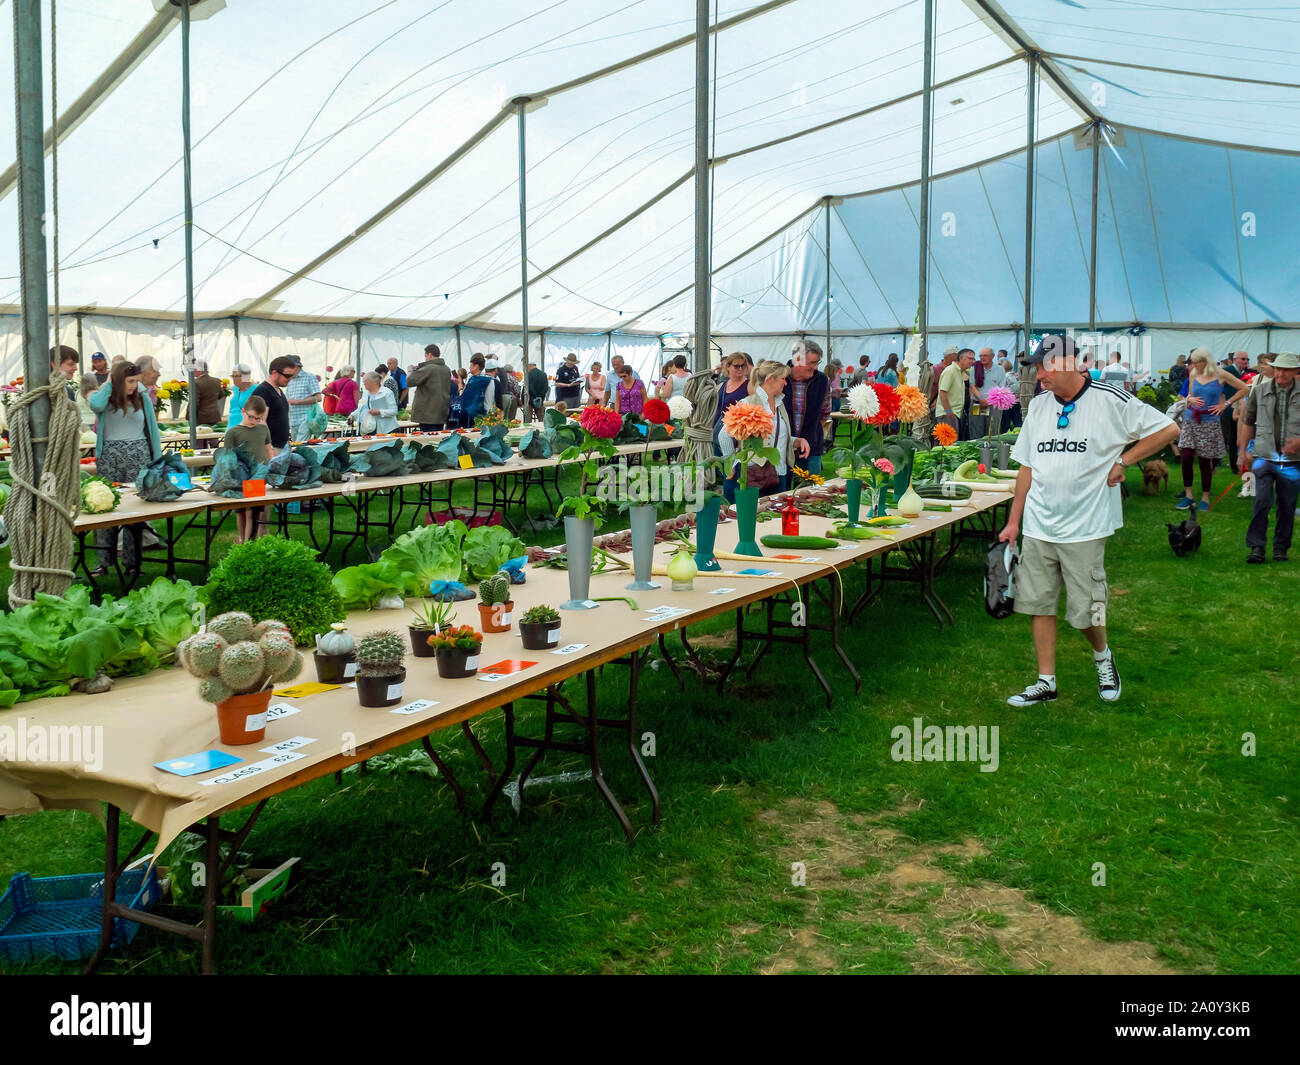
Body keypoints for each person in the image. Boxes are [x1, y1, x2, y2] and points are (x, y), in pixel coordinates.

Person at [999, 334, 1179, 707]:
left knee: (1087, 611)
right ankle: (1045, 681)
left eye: (1043, 366)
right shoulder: (1039, 406)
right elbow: (1026, 467)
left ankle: (1102, 657)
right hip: (1038, 525)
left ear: (1067, 362)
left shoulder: (1109, 399)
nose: (1037, 375)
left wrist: (1124, 462)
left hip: (1085, 526)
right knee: (1038, 604)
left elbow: (1168, 430)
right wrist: (1014, 521)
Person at [87, 361, 164, 577]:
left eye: (136, 381)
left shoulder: (142, 397)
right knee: (105, 507)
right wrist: (111, 383)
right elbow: (96, 405)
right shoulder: (105, 395)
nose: (134, 385)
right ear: (119, 379)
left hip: (137, 455)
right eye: (130, 381)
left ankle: (132, 563)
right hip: (110, 457)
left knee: (134, 510)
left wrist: (156, 460)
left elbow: (153, 429)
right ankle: (104, 562)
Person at [1237, 352, 1300, 564]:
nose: (1280, 373)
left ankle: (1281, 547)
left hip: (1293, 461)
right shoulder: (1260, 389)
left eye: (1285, 369)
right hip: (1262, 457)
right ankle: (1257, 547)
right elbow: (1248, 421)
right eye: (1278, 368)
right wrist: (1242, 452)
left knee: (1287, 505)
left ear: (1295, 371)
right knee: (1260, 501)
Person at [1175, 348, 1249, 511]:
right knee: (1186, 456)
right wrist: (1189, 398)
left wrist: (1226, 404)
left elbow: (1245, 388)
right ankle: (1188, 496)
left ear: (1205, 361)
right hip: (1191, 419)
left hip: (1209, 422)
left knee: (1204, 460)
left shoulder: (1220, 374)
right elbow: (1192, 394)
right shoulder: (1194, 373)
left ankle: (1205, 497)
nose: (1193, 365)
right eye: (1192, 362)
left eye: (1196, 362)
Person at [722, 360, 808, 496]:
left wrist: (797, 441)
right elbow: (724, 435)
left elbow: (776, 437)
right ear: (770, 379)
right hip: (753, 474)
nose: (785, 383)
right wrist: (730, 464)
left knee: (776, 514)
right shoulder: (748, 403)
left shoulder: (780, 403)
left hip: (779, 472)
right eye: (783, 379)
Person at [222, 395, 274, 543]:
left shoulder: (263, 429)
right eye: (251, 417)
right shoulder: (233, 432)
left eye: (258, 418)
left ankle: (249, 542)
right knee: (242, 511)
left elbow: (268, 449)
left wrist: (272, 464)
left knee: (254, 512)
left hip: (258, 476)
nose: (254, 421)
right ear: (243, 411)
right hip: (241, 476)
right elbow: (227, 457)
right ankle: (243, 540)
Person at [782, 341, 830, 473]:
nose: (815, 367)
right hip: (783, 446)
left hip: (812, 447)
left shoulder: (822, 380)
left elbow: (825, 413)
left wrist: (811, 434)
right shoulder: (780, 377)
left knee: (812, 490)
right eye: (811, 363)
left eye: (817, 363)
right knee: (785, 491)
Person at [251, 356, 296, 451]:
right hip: (270, 449)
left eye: (292, 376)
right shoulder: (263, 391)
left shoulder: (278, 390)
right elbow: (259, 422)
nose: (290, 379)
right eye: (287, 376)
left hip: (280, 447)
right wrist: (269, 448)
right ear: (274, 372)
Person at [407, 344, 451, 431]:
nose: (425, 359)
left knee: (427, 441)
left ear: (430, 355)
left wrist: (410, 370)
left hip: (427, 414)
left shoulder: (428, 368)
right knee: (438, 439)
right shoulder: (446, 369)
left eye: (425, 356)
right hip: (441, 412)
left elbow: (409, 381)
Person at [714, 352, 752, 452]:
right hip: (719, 431)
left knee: (733, 465)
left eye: (742, 366)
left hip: (736, 437)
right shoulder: (723, 385)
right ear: (728, 367)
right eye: (736, 366)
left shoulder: (749, 385)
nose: (740, 369)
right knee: (719, 465)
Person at [969, 347, 1007, 439]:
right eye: (980, 356)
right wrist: (981, 399)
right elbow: (972, 386)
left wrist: (989, 400)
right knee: (976, 430)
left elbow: (1001, 388)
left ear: (992, 356)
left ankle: (991, 451)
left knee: (992, 430)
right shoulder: (975, 368)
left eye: (985, 355)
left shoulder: (1000, 369)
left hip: (993, 404)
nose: (982, 358)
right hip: (978, 403)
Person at [936, 348, 974, 437]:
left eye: (973, 359)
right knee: (948, 445)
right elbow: (943, 392)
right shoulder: (950, 371)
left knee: (951, 445)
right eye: (970, 358)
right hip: (947, 414)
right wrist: (949, 411)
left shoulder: (960, 372)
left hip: (954, 414)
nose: (972, 361)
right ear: (961, 358)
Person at [459, 354, 494, 424]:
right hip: (485, 415)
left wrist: (460, 385)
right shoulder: (490, 380)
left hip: (472, 415)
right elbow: (490, 400)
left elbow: (463, 398)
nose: (469, 368)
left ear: (476, 366)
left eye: (471, 365)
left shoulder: (472, 381)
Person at [190, 359, 224, 428]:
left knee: (200, 437)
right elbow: (221, 395)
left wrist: (189, 417)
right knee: (213, 437)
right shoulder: (216, 381)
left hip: (201, 418)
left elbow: (194, 403)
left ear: (199, 370)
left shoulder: (196, 383)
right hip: (215, 416)